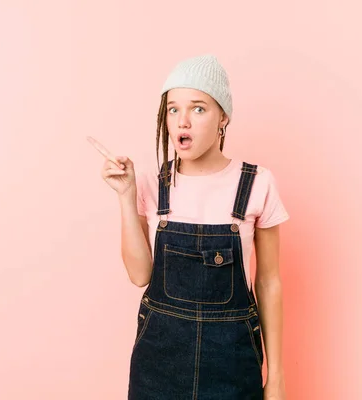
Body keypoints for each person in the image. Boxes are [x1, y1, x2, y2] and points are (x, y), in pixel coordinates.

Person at [88, 54, 289, 399]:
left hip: (233, 362)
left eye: (198, 108)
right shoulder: (152, 184)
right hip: (158, 363)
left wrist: (277, 377)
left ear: (223, 116)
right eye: (173, 109)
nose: (183, 121)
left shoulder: (257, 184)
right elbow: (139, 275)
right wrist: (126, 195)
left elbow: (268, 282)